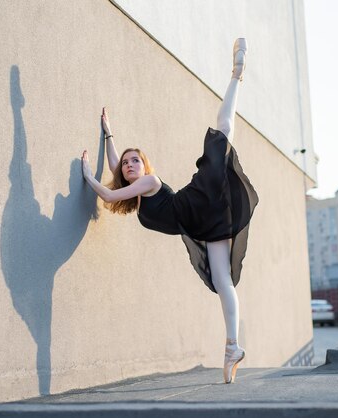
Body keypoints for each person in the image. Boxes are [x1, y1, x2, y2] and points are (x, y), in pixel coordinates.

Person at [81, 38, 258, 384]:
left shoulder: (147, 184)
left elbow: (108, 191)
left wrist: (89, 175)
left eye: (137, 160)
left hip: (197, 203)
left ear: (144, 167)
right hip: (202, 223)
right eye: (128, 162)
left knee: (220, 135)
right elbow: (116, 170)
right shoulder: (136, 187)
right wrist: (109, 135)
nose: (131, 164)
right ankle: (232, 348)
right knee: (222, 281)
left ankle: (236, 75)